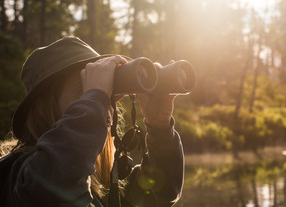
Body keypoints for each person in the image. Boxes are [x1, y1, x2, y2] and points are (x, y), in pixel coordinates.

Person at [0, 36, 184, 207]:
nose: (103, 104)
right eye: (85, 90)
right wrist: (96, 97)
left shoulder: (101, 183)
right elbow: (50, 190)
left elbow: (157, 194)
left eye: (107, 93)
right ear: (42, 107)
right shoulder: (19, 177)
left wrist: (160, 128)